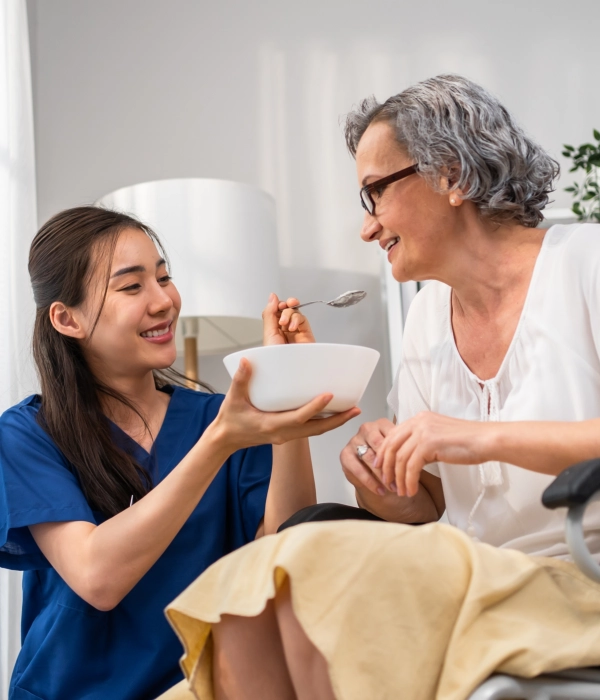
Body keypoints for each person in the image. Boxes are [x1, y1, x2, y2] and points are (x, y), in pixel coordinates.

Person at [160, 75, 600, 700]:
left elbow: (469, 450)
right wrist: (385, 483)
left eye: (374, 194)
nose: (367, 230)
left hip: (576, 580)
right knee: (244, 603)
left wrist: (477, 438)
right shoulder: (426, 318)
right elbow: (426, 511)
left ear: (451, 174)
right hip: (469, 580)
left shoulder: (586, 263)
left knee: (298, 569)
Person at [0, 206, 359, 700]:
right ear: (67, 318)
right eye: (132, 287)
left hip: (207, 688)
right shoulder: (28, 434)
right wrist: (221, 442)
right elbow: (96, 576)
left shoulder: (220, 417)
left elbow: (281, 552)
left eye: (164, 277)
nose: (164, 300)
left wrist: (287, 393)